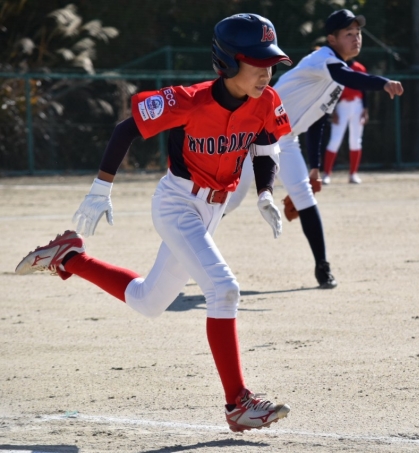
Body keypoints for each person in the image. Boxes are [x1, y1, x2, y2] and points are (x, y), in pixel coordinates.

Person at [15, 14, 293, 433]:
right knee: (224, 290)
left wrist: (265, 193)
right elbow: (125, 130)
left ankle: (69, 258)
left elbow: (267, 146)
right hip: (177, 204)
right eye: (257, 61)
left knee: (148, 301)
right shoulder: (189, 100)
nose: (266, 71)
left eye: (270, 62)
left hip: (212, 210)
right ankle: (238, 403)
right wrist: (100, 188)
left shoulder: (266, 100)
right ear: (228, 61)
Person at [223, 9, 404, 288]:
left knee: (304, 196)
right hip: (255, 134)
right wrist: (383, 83)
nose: (356, 38)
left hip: (286, 139)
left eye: (358, 33)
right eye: (348, 34)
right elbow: (350, 78)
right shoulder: (323, 60)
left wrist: (315, 167)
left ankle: (322, 267)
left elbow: (318, 120)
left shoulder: (336, 76)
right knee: (233, 198)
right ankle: (191, 240)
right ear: (332, 39)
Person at [322, 59, 369, 185]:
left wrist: (365, 108)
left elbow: (364, 88)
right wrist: (333, 110)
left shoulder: (359, 67)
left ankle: (353, 174)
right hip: (341, 106)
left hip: (358, 105)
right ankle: (326, 174)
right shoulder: (336, 67)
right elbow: (332, 90)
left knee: (356, 140)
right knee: (335, 140)